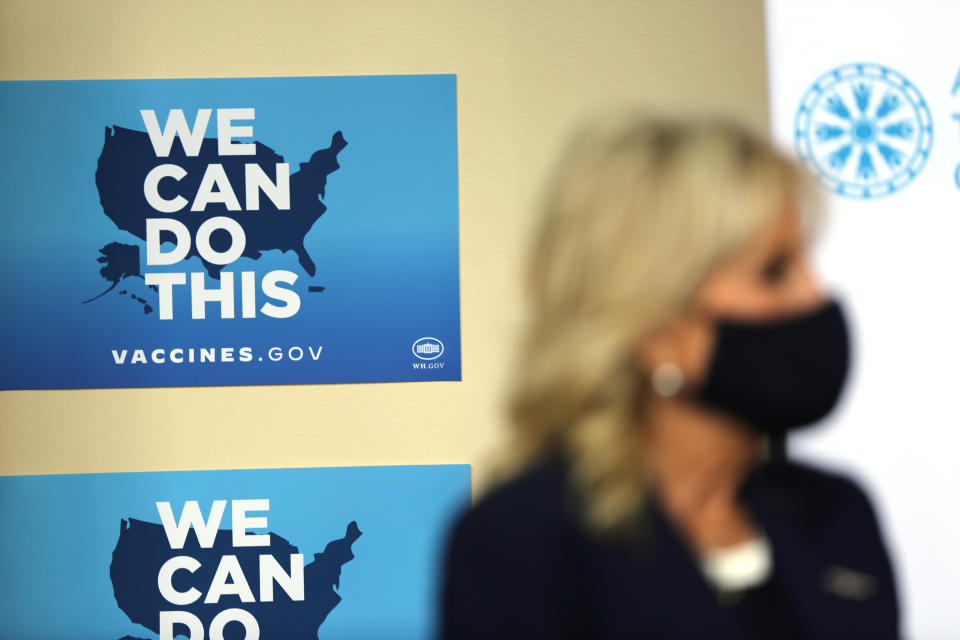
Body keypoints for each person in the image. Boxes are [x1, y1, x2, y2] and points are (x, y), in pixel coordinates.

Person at [439, 115, 900, 639]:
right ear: (659, 328)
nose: (816, 298)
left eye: (806, 263)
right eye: (775, 272)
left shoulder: (837, 517)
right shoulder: (524, 540)